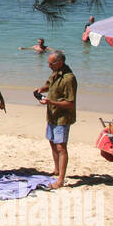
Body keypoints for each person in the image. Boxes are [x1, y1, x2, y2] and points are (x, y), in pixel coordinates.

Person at [36, 51, 76, 188]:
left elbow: (70, 103)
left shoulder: (69, 79)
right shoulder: (55, 72)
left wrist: (51, 103)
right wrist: (41, 89)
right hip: (52, 115)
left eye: (51, 63)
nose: (48, 66)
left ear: (60, 63)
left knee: (61, 146)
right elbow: (49, 85)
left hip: (62, 118)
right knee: (52, 142)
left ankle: (60, 179)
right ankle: (57, 169)